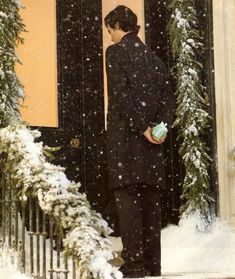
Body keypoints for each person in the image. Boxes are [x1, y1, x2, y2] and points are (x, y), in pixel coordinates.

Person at [104, 5, 175, 278]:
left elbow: (120, 96)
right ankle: (152, 265)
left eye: (110, 29)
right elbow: (169, 100)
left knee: (129, 202)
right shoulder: (156, 60)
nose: (110, 35)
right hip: (152, 147)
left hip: (126, 142)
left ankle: (134, 266)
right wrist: (159, 128)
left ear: (118, 25)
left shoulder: (116, 52)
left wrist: (141, 127)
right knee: (150, 203)